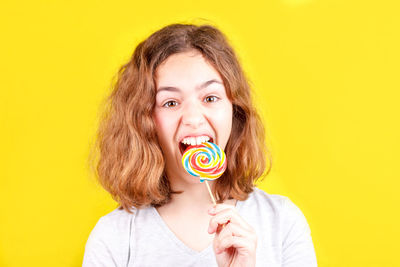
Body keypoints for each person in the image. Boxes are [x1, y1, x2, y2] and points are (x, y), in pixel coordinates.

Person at [82, 23, 317, 267]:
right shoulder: (115, 238)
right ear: (145, 121)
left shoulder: (281, 222)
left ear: (235, 111)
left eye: (210, 98)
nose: (193, 118)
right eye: (170, 102)